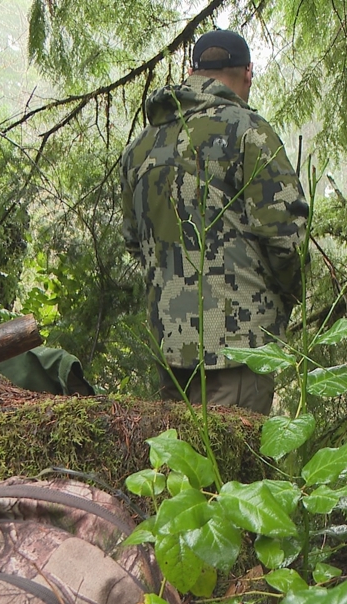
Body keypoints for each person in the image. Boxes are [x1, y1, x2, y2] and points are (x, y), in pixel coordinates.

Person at [120, 29, 308, 414]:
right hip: (238, 353)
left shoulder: (140, 147)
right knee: (230, 472)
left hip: (170, 350)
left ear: (192, 71)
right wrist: (289, 297)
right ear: (248, 73)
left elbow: (134, 242)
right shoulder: (247, 132)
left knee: (180, 470)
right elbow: (287, 239)